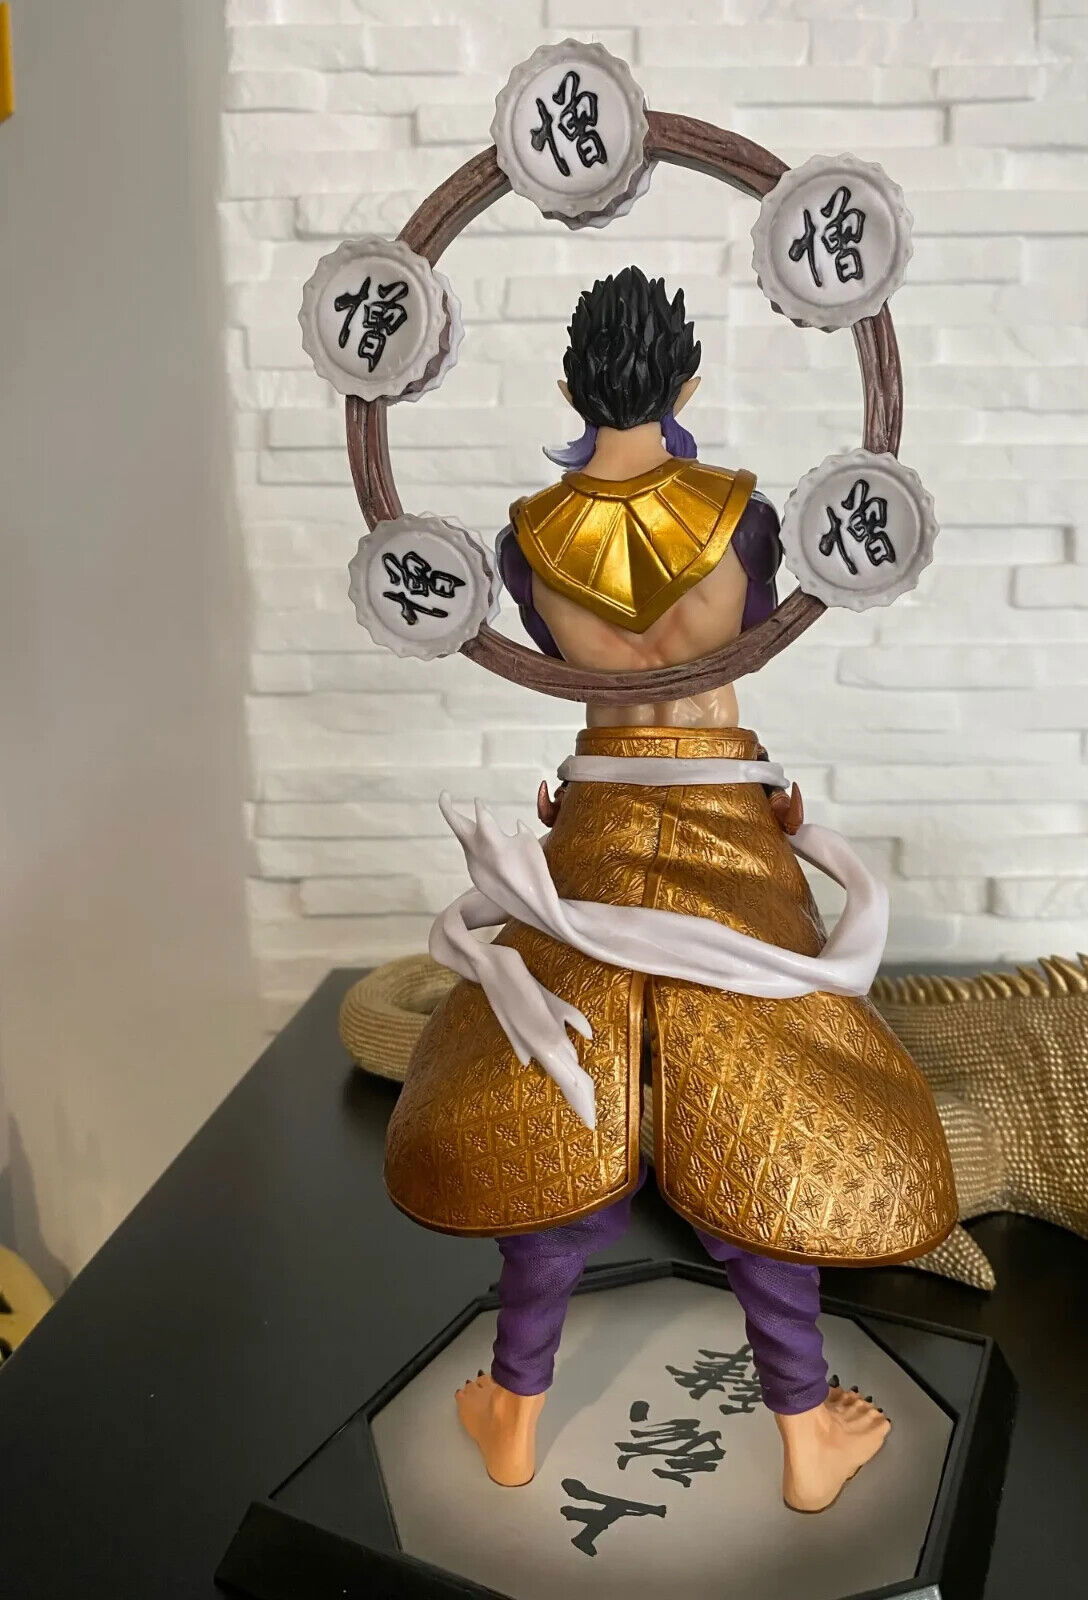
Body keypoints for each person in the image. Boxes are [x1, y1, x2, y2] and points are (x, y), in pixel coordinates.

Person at [384, 266, 955, 1513]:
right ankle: (804, 1430)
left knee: (564, 1088)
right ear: (686, 383)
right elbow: (742, 641)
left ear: (568, 387)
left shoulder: (527, 539)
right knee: (753, 1096)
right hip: (721, 821)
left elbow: (572, 670)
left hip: (594, 820)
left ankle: (515, 1411)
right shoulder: (744, 520)